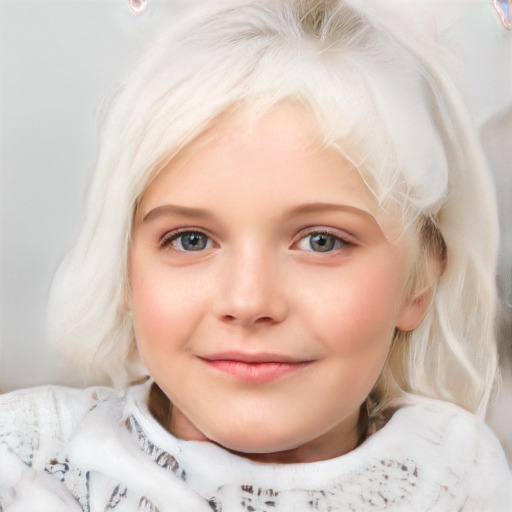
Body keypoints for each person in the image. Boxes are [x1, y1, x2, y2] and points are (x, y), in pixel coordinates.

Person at [1, 0, 511, 510]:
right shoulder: (26, 464)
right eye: (191, 240)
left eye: (321, 241)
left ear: (419, 281)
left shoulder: (460, 477)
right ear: (125, 271)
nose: (248, 302)